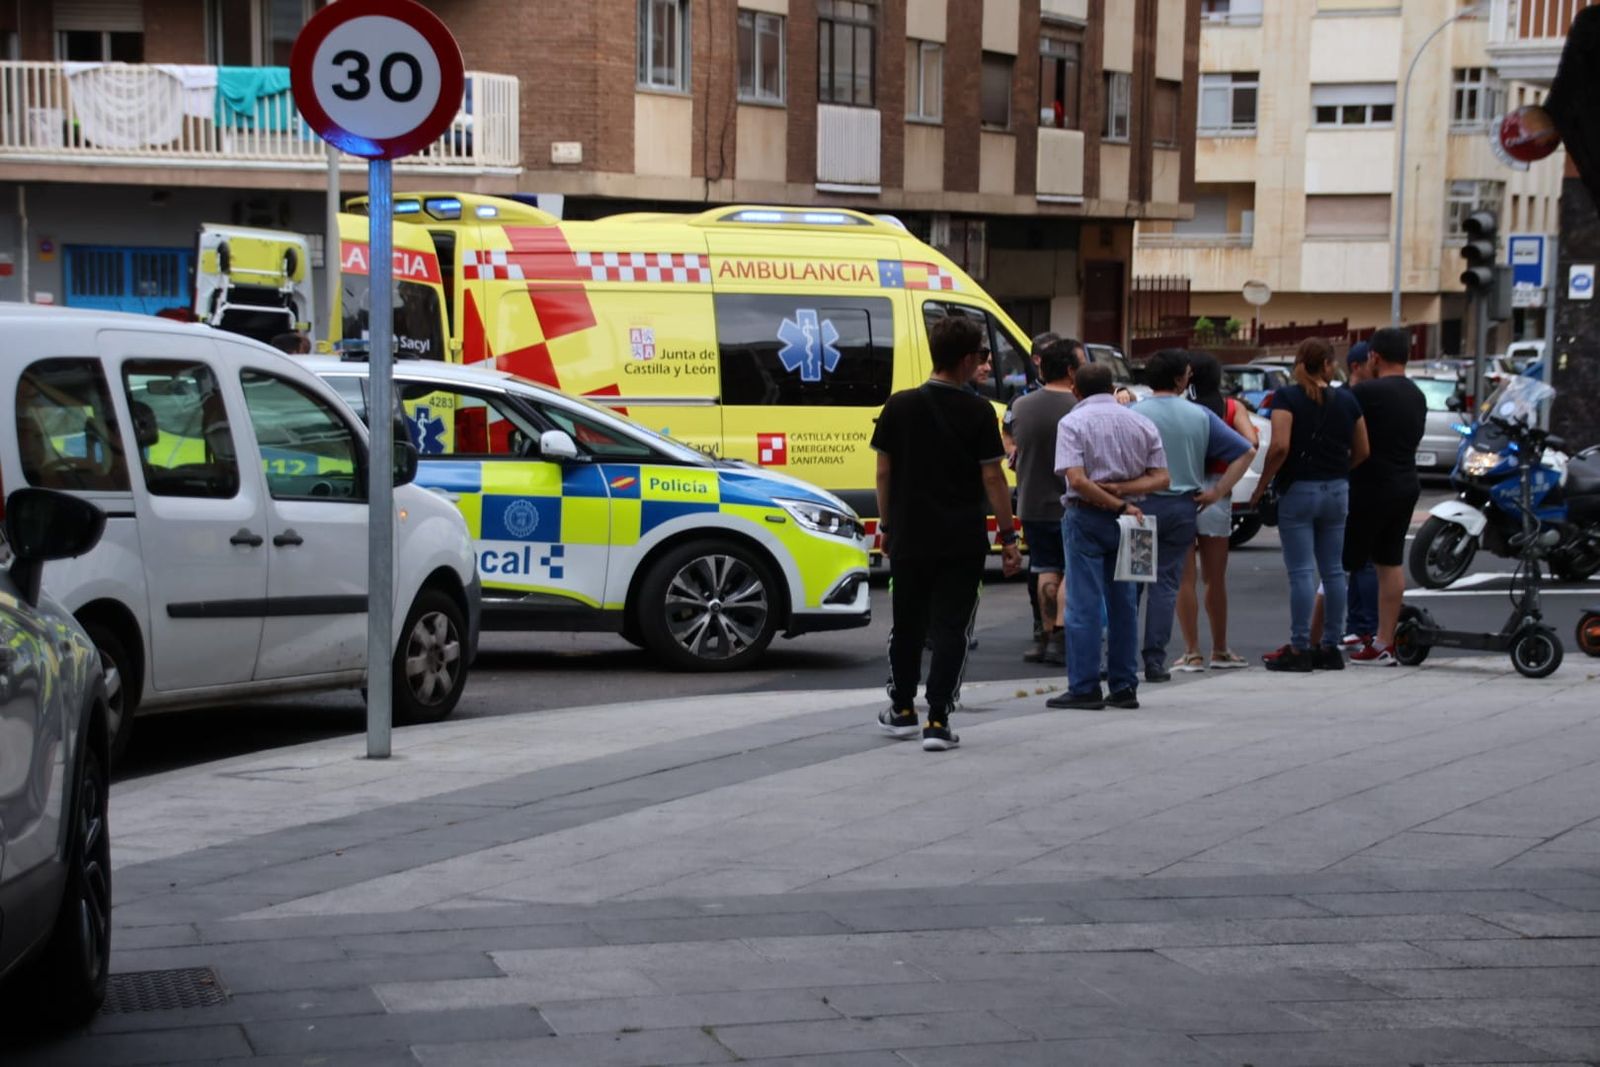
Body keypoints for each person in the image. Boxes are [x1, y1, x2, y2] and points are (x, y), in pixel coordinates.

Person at [873, 315, 1023, 752]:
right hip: (962, 539)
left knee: (907, 624)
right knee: (952, 627)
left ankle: (901, 709)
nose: (982, 361)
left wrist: (886, 524)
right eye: (980, 355)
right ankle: (937, 719)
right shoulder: (979, 412)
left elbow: (883, 471)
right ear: (964, 360)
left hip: (909, 535)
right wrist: (1009, 538)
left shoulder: (898, 406)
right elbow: (993, 479)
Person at [1045, 363, 1170, 711]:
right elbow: (1162, 479)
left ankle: (1084, 686)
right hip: (1136, 519)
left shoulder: (1072, 423)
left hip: (1087, 515)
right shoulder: (1140, 422)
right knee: (1125, 604)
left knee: (1083, 604)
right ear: (1113, 386)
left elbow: (1077, 479)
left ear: (1075, 390)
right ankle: (1125, 685)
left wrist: (1114, 501)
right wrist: (1126, 495)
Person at [1131, 351, 1255, 682]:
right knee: (1168, 584)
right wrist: (1218, 491)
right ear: (1179, 379)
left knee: (1133, 582)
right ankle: (1156, 659)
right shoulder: (1198, 414)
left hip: (1140, 509)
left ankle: (1126, 657)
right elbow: (1247, 450)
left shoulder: (1133, 413)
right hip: (1182, 507)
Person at [1251, 337, 1370, 672]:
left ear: (1299, 363)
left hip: (1299, 490)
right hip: (1336, 490)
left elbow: (1279, 447)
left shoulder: (1286, 397)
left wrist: (1262, 486)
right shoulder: (1347, 401)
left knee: (1302, 570)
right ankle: (1330, 645)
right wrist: (1337, 471)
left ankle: (1300, 646)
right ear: (1329, 364)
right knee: (1333, 570)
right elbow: (1363, 450)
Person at [1344, 327, 1428, 665]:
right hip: (1406, 482)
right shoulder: (1417, 394)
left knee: (1344, 563)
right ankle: (1384, 641)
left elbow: (1343, 418)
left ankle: (1325, 637)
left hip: (1369, 484)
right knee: (1390, 561)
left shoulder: (1368, 392)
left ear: (1374, 357)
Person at [1175, 351, 1259, 671]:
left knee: (1185, 579)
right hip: (1215, 491)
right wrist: (1220, 489)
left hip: (1181, 489)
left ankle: (1191, 651)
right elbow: (1251, 442)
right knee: (1215, 579)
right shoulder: (1231, 407)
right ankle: (1220, 649)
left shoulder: (1181, 409)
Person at [1010, 338, 1083, 666]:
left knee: (1044, 568)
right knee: (1072, 571)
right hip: (1074, 501)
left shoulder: (1022, 406)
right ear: (1070, 370)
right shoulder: (1080, 406)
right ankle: (1063, 637)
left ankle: (1044, 637)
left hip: (1032, 502)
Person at [1309, 342, 1379, 649]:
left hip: (1341, 482)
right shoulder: (1347, 398)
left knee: (1342, 563)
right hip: (1347, 484)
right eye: (1371, 360)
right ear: (1355, 366)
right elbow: (1360, 447)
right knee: (1350, 562)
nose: (1375, 364)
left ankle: (1336, 632)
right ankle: (1354, 628)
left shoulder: (1337, 397)